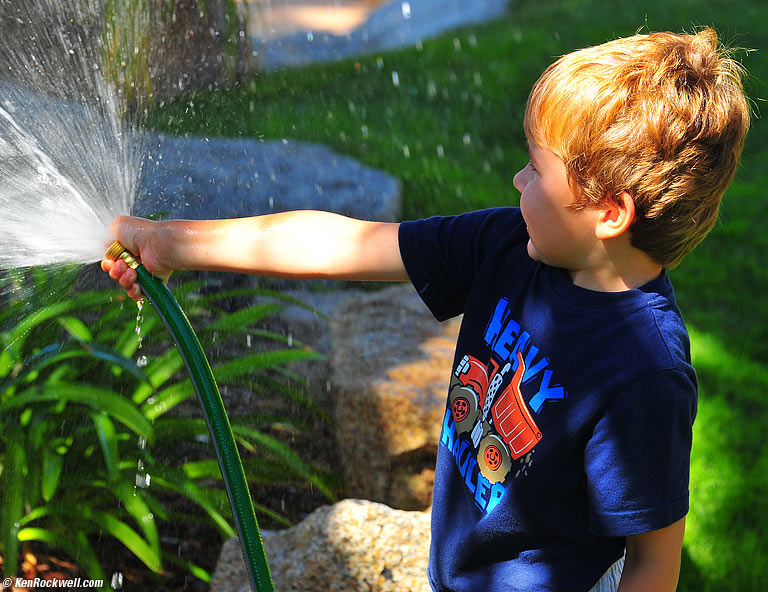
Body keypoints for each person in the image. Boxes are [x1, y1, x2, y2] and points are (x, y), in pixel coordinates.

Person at [102, 28, 750, 592]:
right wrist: (172, 242)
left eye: (535, 169)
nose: (519, 181)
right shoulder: (509, 246)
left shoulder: (642, 373)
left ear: (610, 212)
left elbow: (653, 562)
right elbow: (341, 245)